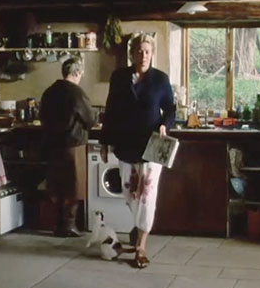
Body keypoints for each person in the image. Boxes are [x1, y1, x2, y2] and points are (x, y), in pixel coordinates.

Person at [99, 33, 175, 268]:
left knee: (147, 196)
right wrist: (104, 142)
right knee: (130, 193)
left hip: (151, 145)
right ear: (131, 54)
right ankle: (138, 226)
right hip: (125, 144)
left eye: (147, 52)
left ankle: (141, 246)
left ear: (152, 54)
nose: (143, 56)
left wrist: (165, 124)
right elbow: (110, 110)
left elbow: (171, 108)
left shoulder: (160, 79)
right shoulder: (119, 77)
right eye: (139, 51)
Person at [40, 56, 96, 237]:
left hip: (52, 144)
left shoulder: (49, 92)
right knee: (74, 186)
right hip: (73, 145)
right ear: (77, 73)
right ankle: (69, 224)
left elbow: (42, 117)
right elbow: (90, 119)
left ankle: (57, 225)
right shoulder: (76, 93)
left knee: (57, 186)